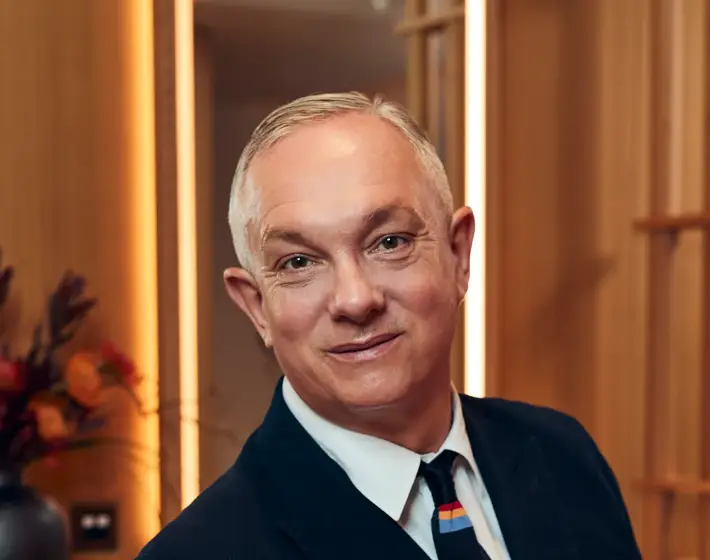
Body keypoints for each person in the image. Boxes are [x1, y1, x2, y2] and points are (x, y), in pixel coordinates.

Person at [136, 92, 642, 559]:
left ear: (459, 255)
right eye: (298, 263)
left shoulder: (563, 456)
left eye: (389, 242)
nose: (356, 300)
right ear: (255, 307)